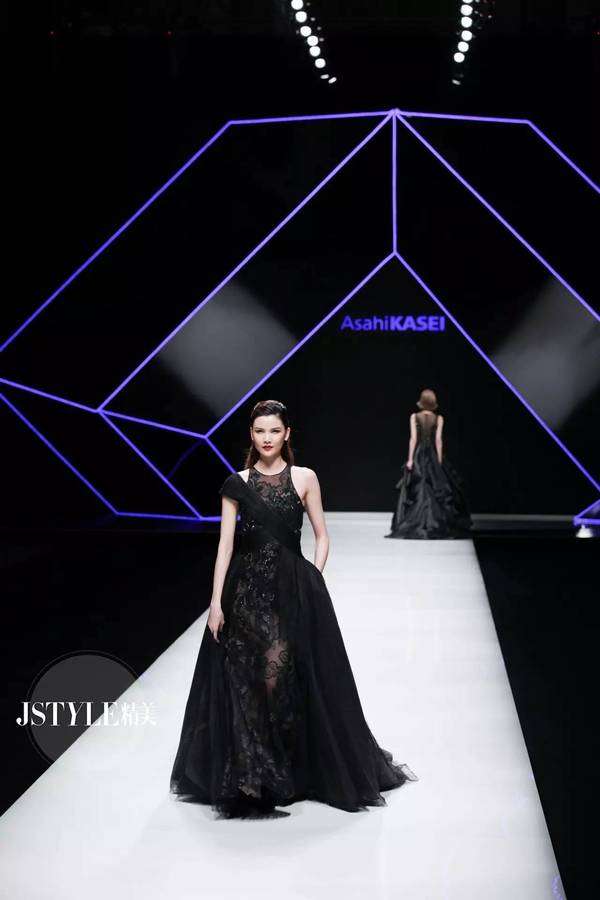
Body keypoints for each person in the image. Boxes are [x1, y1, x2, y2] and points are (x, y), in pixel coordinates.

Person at [170, 399, 417, 819]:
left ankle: (284, 770)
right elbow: (225, 547)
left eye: (274, 431)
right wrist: (215, 602)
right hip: (245, 594)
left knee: (278, 678)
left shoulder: (305, 478)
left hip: (291, 592)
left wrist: (312, 578)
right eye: (260, 431)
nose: (267, 438)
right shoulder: (236, 484)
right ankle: (252, 776)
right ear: (251, 435)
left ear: (287, 434)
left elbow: (322, 535)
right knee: (243, 679)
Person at [385, 389, 472, 540]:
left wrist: (410, 459)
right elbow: (438, 440)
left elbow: (413, 439)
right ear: (433, 401)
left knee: (418, 487)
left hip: (419, 455)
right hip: (432, 455)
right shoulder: (439, 418)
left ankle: (415, 522)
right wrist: (439, 461)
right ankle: (435, 523)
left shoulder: (414, 417)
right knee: (435, 487)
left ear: (422, 401)